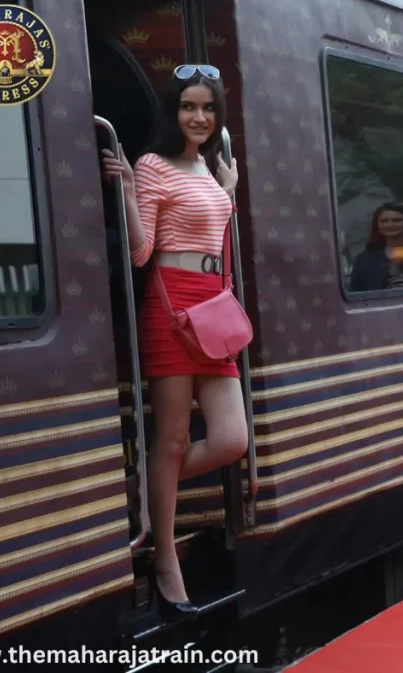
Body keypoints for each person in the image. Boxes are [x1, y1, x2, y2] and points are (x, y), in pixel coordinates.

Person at [100, 64, 249, 616]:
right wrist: (131, 196)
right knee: (172, 440)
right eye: (189, 106)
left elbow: (217, 236)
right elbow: (142, 255)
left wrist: (228, 192)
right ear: (173, 111)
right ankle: (166, 559)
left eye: (208, 108)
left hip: (211, 305)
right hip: (171, 303)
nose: (199, 117)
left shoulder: (212, 171)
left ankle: (144, 484)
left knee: (232, 438)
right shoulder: (154, 165)